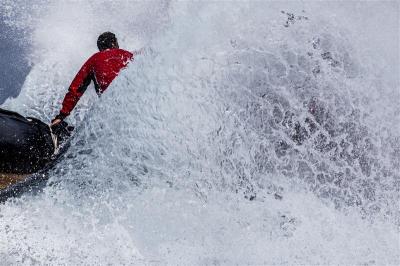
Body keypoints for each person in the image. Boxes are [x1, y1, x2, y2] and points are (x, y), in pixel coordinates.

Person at [51, 32, 134, 126]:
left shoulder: (95, 59)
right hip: (132, 102)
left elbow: (77, 88)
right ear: (113, 43)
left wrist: (61, 116)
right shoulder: (128, 55)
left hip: (112, 108)